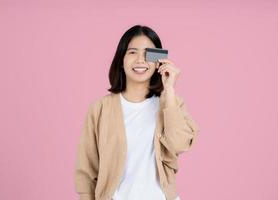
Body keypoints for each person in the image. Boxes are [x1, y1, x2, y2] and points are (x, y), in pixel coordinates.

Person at [74, 25, 200, 200]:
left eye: (148, 54)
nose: (140, 60)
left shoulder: (171, 104)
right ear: (121, 59)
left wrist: (169, 89)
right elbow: (87, 170)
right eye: (132, 52)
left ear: (159, 60)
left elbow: (179, 144)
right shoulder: (100, 108)